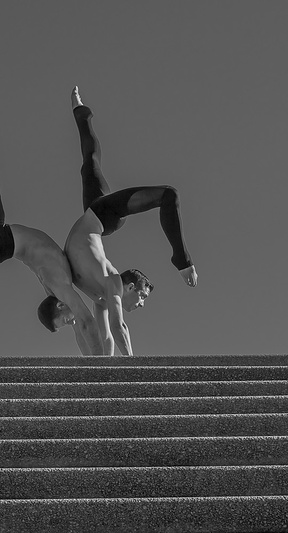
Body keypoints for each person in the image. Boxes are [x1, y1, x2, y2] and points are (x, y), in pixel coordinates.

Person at [0, 88, 103, 357]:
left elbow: (80, 326)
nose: (71, 322)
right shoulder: (59, 286)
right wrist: (101, 369)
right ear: (59, 306)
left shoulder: (57, 285)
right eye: (66, 321)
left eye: (64, 323)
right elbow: (86, 322)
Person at [64, 86, 198, 356]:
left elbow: (107, 336)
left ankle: (81, 112)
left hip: (95, 216)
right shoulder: (112, 281)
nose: (142, 304)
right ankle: (182, 261)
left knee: (90, 163)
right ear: (130, 286)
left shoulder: (100, 296)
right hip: (105, 216)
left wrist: (106, 367)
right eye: (143, 296)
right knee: (168, 195)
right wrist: (133, 366)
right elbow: (119, 325)